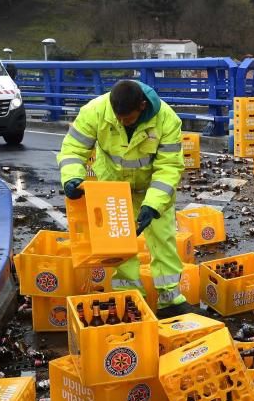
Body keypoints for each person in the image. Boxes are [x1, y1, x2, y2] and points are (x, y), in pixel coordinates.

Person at [57, 79, 198, 319]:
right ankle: (131, 297)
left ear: (142, 106)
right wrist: (71, 178)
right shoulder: (95, 111)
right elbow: (72, 150)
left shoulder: (167, 120)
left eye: (128, 119)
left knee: (163, 239)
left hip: (151, 186)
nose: (122, 122)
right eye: (118, 118)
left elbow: (169, 168)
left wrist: (153, 206)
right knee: (119, 242)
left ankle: (170, 299)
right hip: (113, 185)